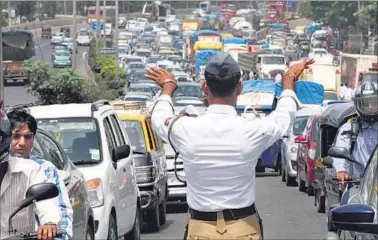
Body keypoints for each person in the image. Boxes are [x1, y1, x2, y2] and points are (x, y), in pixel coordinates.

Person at [146, 53, 314, 240]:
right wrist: (288, 81)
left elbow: (158, 119)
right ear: (240, 87)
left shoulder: (185, 128)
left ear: (204, 87)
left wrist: (168, 88)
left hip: (201, 230)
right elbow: (284, 116)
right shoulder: (253, 129)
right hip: (244, 229)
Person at [6, 109, 73, 239]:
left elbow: (57, 211)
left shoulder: (43, 170)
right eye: (15, 136)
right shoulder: (4, 166)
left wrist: (50, 224)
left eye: (27, 136)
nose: (22, 143)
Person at [333, 82, 378, 183]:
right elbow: (341, 147)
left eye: (374, 103)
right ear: (357, 105)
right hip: (356, 184)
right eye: (366, 104)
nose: (370, 107)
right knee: (346, 198)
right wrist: (341, 170)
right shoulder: (350, 127)